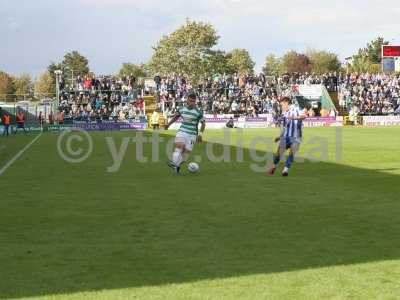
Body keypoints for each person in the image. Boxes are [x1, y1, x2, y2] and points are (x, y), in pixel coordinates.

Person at [165, 93, 206, 174]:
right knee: (180, 147)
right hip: (182, 131)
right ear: (187, 100)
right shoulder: (182, 109)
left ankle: (176, 166)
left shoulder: (198, 112)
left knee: (185, 155)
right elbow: (176, 117)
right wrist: (168, 124)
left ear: (195, 102)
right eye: (190, 101)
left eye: (193, 101)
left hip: (192, 135)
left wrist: (200, 134)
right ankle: (173, 163)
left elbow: (203, 123)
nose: (192, 103)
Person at [268, 97, 307, 177]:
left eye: (282, 105)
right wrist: (279, 137)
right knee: (279, 154)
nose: (281, 107)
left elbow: (304, 116)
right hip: (286, 137)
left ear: (286, 103)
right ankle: (274, 166)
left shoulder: (296, 108)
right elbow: (285, 127)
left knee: (291, 154)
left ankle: (285, 170)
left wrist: (294, 118)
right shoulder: (285, 113)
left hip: (297, 137)